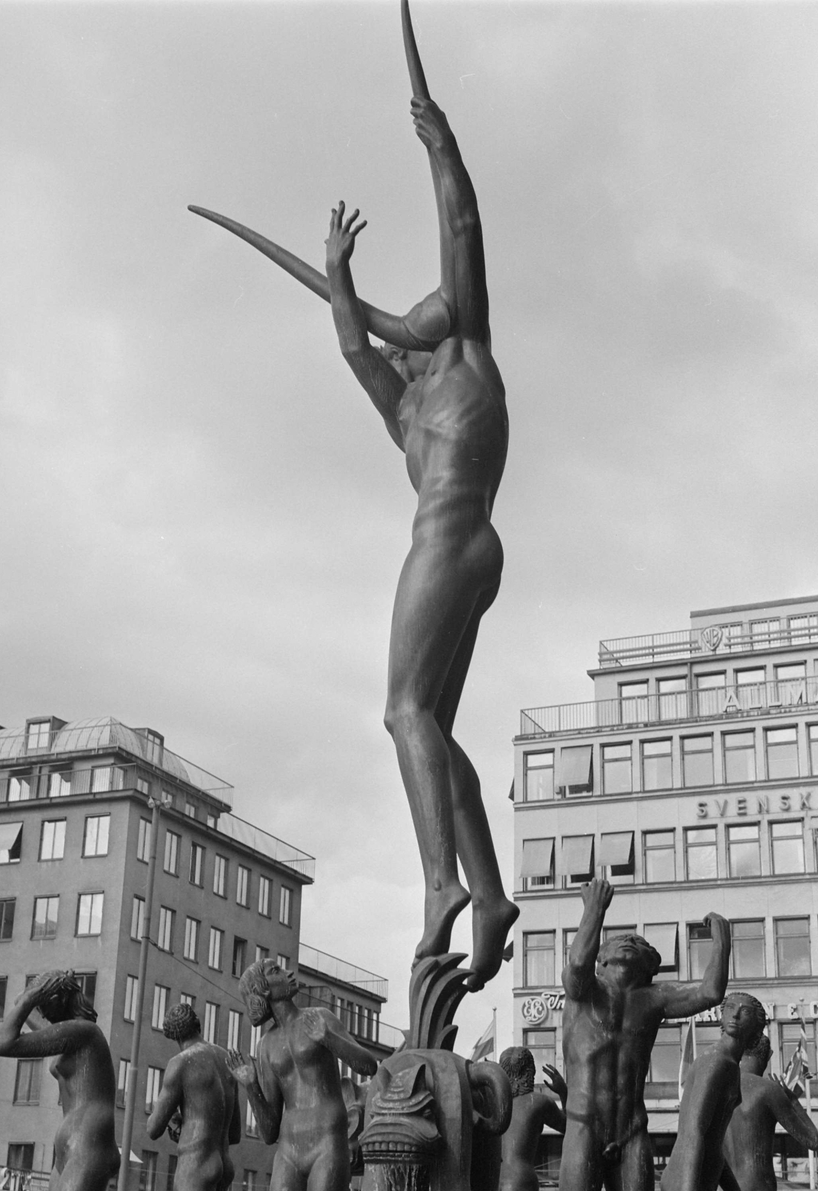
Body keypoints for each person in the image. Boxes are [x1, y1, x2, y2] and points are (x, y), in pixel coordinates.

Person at [322, 2, 518, 989]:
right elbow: (357, 346)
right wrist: (336, 274)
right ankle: (487, 892)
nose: (425, 331)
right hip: (473, 546)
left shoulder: (471, 359)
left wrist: (444, 147)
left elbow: (463, 228)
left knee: (402, 712)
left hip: (448, 542)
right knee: (432, 725)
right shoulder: (413, 409)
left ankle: (439, 883)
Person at [559, 879, 731, 1191]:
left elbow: (711, 992)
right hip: (585, 1125)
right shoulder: (585, 990)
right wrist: (595, 908)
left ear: (651, 967)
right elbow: (578, 963)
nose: (629, 943)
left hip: (631, 1129)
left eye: (637, 944)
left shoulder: (655, 998)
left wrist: (721, 937)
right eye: (620, 941)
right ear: (603, 958)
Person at [227, 959, 379, 1191]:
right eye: (276, 971)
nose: (288, 973)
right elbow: (268, 1133)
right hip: (288, 1152)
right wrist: (251, 1085)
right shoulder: (266, 1046)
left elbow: (369, 1065)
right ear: (264, 989)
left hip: (327, 1144)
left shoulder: (320, 1018)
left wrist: (329, 1039)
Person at [0, 971, 120, 1191]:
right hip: (72, 1144)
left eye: (44, 1002)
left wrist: (31, 997)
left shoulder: (84, 1031)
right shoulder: (69, 1037)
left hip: (89, 1142)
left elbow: (2, 1044)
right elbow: (19, 1003)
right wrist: (36, 993)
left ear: (60, 1000)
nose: (41, 1010)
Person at [661, 994, 768, 1191]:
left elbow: (713, 1141)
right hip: (685, 1183)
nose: (735, 1015)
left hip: (702, 1181)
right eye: (729, 1008)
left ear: (757, 1026)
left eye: (745, 1011)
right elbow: (695, 1131)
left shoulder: (731, 1067)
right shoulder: (716, 1062)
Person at [147, 1004, 241, 1191]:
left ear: (175, 1036)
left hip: (196, 1163)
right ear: (197, 1026)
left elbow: (153, 1129)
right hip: (224, 1164)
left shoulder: (180, 1062)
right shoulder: (226, 1059)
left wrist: (174, 1117)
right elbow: (235, 1134)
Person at [718, 1033, 818, 1191]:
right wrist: (793, 1101)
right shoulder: (768, 1089)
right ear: (769, 1055)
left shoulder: (718, 1090)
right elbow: (814, 1140)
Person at [498, 1049, 567, 1191]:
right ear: (531, 1071)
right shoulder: (538, 1102)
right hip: (521, 1182)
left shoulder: (494, 1104)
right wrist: (563, 1092)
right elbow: (571, 1130)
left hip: (493, 1182)